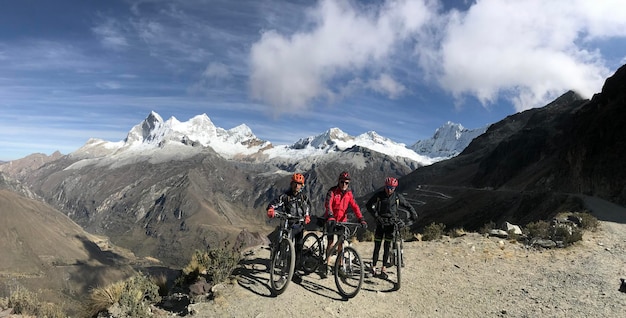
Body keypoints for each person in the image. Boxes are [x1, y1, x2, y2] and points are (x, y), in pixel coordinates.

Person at [366, 176, 418, 278]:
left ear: (395, 188)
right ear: (385, 186)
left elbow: (407, 205)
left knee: (386, 247)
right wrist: (376, 216)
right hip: (380, 223)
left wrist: (413, 214)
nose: (389, 189)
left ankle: (383, 269)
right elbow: (368, 205)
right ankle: (373, 268)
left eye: (392, 188)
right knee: (377, 246)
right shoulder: (379, 195)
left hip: (391, 224)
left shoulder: (397, 197)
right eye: (388, 187)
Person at [321, 171, 367, 278]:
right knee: (331, 243)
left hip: (342, 221)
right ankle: (327, 265)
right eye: (342, 182)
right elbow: (328, 204)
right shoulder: (332, 191)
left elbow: (355, 206)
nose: (344, 185)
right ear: (338, 181)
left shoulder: (349, 194)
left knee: (341, 244)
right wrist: (331, 215)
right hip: (331, 220)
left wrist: (361, 218)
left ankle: (340, 265)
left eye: (346, 183)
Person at [266, 173, 312, 281]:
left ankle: (294, 271)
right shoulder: (285, 196)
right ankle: (282, 271)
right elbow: (274, 203)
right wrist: (271, 209)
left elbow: (308, 207)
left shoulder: (303, 197)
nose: (297, 186)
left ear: (302, 185)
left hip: (299, 225)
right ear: (291, 184)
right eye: (295, 183)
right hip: (288, 224)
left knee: (298, 249)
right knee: (285, 247)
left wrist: (307, 216)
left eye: (299, 184)